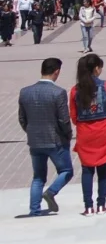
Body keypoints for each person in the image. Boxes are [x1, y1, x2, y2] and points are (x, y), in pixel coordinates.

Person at [19, 58, 73, 215]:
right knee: (66, 170)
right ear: (56, 71)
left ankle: (34, 210)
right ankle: (51, 192)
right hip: (55, 140)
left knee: (38, 177)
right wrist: (68, 134)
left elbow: (22, 118)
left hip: (35, 141)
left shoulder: (25, 92)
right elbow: (63, 119)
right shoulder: (58, 92)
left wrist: (30, 131)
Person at [69, 54, 106, 215]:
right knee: (103, 168)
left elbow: (74, 116)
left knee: (87, 170)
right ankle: (101, 204)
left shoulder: (75, 90)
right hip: (104, 131)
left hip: (85, 133)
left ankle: (88, 206)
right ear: (96, 68)